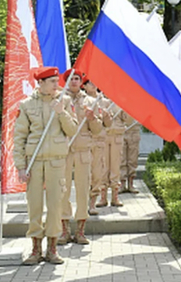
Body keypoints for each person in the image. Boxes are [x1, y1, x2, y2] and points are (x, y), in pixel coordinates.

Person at [14, 67, 78, 265]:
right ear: (40, 83)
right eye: (51, 81)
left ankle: (52, 249)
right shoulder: (26, 105)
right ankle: (35, 249)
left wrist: (61, 113)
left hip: (56, 162)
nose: (56, 85)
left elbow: (72, 129)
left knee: (55, 206)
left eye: (56, 81)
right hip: (34, 162)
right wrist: (21, 167)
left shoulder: (64, 102)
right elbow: (19, 138)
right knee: (34, 205)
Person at [59, 70, 102, 245]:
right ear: (66, 81)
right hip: (65, 150)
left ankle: (80, 231)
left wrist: (92, 119)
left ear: (81, 81)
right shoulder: (60, 100)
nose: (74, 81)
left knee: (83, 190)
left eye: (77, 78)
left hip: (83, 150)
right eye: (71, 79)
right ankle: (64, 230)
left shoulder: (91, 102)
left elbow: (98, 129)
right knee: (63, 190)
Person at [83, 79, 113, 216]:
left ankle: (92, 203)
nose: (93, 84)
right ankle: (82, 203)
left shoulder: (104, 101)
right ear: (84, 86)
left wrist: (106, 117)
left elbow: (109, 124)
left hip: (99, 142)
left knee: (97, 173)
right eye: (89, 82)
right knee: (83, 174)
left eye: (95, 81)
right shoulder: (81, 101)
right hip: (84, 142)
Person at [100, 100, 130, 208]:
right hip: (103, 135)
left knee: (115, 166)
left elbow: (126, 118)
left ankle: (115, 196)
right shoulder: (100, 101)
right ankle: (103, 197)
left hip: (117, 136)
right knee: (103, 167)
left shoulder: (119, 101)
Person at [120, 114, 141, 194]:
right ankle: (122, 184)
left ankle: (131, 184)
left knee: (133, 159)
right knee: (122, 159)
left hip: (134, 130)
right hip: (121, 130)